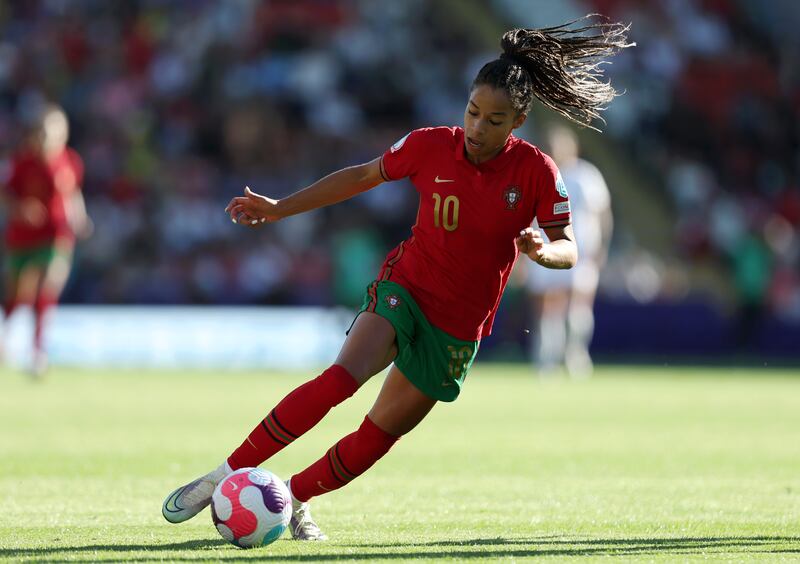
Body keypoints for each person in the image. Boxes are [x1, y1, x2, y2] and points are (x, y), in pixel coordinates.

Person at [162, 17, 632, 540]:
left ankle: (292, 498)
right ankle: (223, 476)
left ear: (517, 121)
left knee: (379, 433)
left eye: (494, 120)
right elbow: (361, 176)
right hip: (406, 287)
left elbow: (570, 244)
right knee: (341, 379)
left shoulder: (538, 172)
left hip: (458, 326)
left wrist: (545, 252)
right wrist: (280, 209)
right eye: (473, 112)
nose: (478, 127)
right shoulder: (430, 145)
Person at [0, 104, 92, 377]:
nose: (45, 137)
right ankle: (5, 336)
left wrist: (80, 217)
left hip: (57, 235)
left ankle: (38, 352)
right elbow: (5, 195)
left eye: (51, 131)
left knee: (47, 288)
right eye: (41, 131)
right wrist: (21, 209)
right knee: (19, 295)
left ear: (62, 134)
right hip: (22, 238)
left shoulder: (70, 161)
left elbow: (72, 194)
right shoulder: (21, 162)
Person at [525, 124, 612, 378]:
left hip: (580, 250)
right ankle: (546, 358)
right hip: (543, 249)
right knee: (547, 305)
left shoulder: (586, 175)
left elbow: (602, 214)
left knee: (577, 303)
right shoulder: (538, 175)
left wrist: (601, 247)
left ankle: (575, 355)